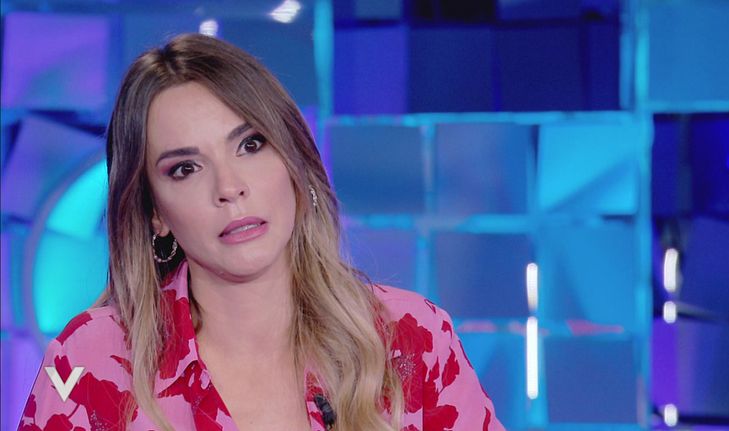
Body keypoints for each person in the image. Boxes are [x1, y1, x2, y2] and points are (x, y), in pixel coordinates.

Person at [17, 33, 505, 431]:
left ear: (295, 162)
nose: (229, 188)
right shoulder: (94, 360)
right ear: (154, 212)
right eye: (185, 169)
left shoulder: (412, 339)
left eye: (250, 144)